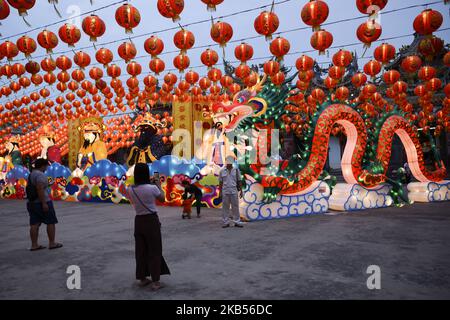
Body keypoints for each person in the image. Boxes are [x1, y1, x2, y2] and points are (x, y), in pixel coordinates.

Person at [127, 163, 170, 290]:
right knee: (154, 250)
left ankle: (142, 278)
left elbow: (139, 189)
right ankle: (156, 281)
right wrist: (158, 185)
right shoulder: (152, 188)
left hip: (138, 221)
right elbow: (162, 198)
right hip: (151, 221)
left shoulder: (131, 189)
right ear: (147, 173)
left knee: (140, 251)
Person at [26, 158, 63, 251]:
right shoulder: (40, 175)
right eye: (46, 166)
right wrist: (44, 203)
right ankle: (52, 243)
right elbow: (39, 189)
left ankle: (34, 245)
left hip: (32, 202)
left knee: (34, 224)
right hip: (42, 201)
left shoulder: (32, 174)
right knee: (50, 222)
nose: (47, 168)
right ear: (43, 166)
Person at [219, 156, 244, 228]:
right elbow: (220, 182)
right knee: (225, 207)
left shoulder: (236, 170)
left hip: (234, 191)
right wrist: (220, 192)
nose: (229, 163)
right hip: (225, 191)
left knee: (235, 207)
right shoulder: (222, 171)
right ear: (226, 161)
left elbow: (239, 181)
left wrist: (241, 191)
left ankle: (237, 222)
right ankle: (225, 222)